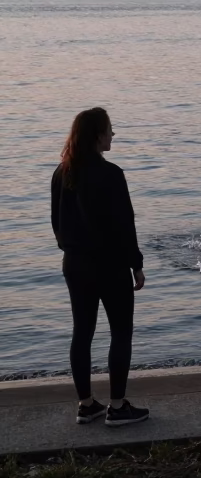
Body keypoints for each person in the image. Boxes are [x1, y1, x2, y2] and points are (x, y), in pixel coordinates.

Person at [51, 107, 150, 427]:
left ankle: (86, 405)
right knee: (120, 332)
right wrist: (136, 265)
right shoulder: (111, 174)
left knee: (82, 332)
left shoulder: (62, 172)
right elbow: (125, 225)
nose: (113, 134)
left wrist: (71, 249)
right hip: (110, 265)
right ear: (97, 135)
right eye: (110, 129)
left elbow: (56, 223)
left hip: (75, 264)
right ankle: (118, 407)